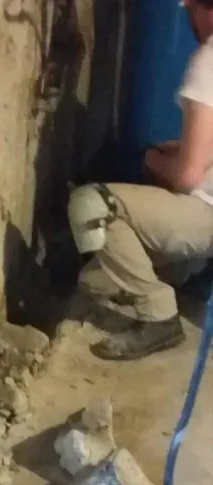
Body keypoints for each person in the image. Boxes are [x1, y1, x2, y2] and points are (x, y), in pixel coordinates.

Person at [69, 0, 213, 360]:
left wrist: (148, 158)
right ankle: (188, 270)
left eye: (190, 9)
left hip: (205, 219)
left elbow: (188, 176)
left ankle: (159, 315)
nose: (188, 18)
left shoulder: (209, 62)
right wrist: (183, 148)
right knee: (94, 281)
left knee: (91, 204)